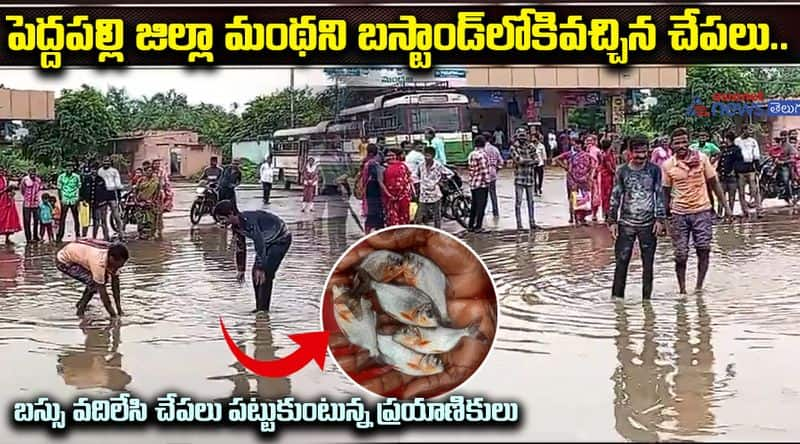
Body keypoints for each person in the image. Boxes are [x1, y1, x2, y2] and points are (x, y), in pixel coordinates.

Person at [662, 127, 732, 294]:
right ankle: (682, 290)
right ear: (672, 145)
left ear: (689, 142)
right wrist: (664, 220)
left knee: (703, 249)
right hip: (678, 213)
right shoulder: (668, 165)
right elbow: (665, 193)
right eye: (677, 142)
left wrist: (727, 208)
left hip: (702, 210)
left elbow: (714, 183)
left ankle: (699, 287)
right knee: (680, 254)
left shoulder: (701, 159)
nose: (681, 145)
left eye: (684, 142)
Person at [607, 136, 667, 300]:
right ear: (629, 152)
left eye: (644, 152)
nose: (641, 156)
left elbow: (659, 194)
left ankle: (646, 302)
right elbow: (615, 196)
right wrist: (612, 221)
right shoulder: (622, 171)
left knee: (648, 265)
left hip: (649, 224)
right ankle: (617, 303)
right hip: (626, 223)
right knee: (621, 262)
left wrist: (660, 219)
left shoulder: (654, 170)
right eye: (637, 153)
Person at [212, 201, 292, 313]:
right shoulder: (236, 227)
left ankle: (263, 310)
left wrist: (261, 267)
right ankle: (259, 308)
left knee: (266, 273)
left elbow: (259, 242)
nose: (221, 222)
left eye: (222, 218)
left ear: (231, 214)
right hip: (267, 242)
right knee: (255, 273)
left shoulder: (249, 221)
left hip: (281, 239)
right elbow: (240, 247)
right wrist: (241, 269)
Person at [56, 239, 129, 318]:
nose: (118, 267)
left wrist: (119, 310)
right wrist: (113, 316)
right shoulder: (98, 261)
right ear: (111, 258)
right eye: (118, 265)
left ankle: (80, 304)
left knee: (100, 279)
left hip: (80, 252)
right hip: (64, 260)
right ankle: (80, 310)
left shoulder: (115, 256)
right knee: (94, 284)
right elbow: (103, 293)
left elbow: (115, 285)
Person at [555, 138, 595, 226]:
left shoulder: (586, 155)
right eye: (575, 144)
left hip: (583, 179)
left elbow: (594, 164)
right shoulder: (570, 154)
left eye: (579, 144)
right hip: (572, 179)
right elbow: (557, 159)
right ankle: (572, 216)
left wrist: (589, 175)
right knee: (572, 197)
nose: (577, 146)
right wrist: (565, 167)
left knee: (584, 198)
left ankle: (581, 217)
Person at [413, 146, 454, 228]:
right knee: (419, 216)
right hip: (424, 193)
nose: (426, 158)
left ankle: (437, 232)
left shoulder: (438, 165)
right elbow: (414, 176)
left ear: (433, 156)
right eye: (425, 155)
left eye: (428, 156)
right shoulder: (421, 165)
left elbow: (450, 173)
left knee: (437, 216)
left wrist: (442, 181)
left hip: (435, 193)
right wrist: (418, 183)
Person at [510, 128, 539, 232]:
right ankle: (519, 225)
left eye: (524, 136)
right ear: (517, 137)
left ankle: (532, 222)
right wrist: (530, 161)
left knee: (531, 202)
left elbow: (537, 160)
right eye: (520, 136)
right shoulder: (513, 147)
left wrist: (526, 161)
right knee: (518, 202)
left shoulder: (530, 146)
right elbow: (518, 160)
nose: (522, 138)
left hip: (530, 178)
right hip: (519, 179)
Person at [734, 126, 763, 217]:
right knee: (741, 191)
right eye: (747, 130)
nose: (749, 133)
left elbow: (756, 156)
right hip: (740, 168)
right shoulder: (737, 141)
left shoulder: (753, 141)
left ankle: (759, 210)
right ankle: (745, 211)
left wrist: (758, 169)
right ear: (743, 130)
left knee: (755, 190)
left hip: (750, 168)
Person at [382, 147, 413, 226]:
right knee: (392, 218)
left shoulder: (402, 166)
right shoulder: (382, 168)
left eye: (392, 155)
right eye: (388, 155)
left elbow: (408, 179)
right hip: (390, 197)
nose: (390, 157)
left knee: (404, 216)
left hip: (403, 196)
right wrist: (390, 195)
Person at [467, 135, 491, 233]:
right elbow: (484, 170)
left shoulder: (472, 154)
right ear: (484, 143)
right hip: (481, 184)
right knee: (481, 205)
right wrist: (488, 181)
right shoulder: (482, 155)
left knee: (474, 205)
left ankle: (470, 225)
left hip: (473, 183)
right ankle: (478, 226)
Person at [97, 157, 124, 239]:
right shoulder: (100, 171)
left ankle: (121, 234)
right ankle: (106, 236)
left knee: (116, 216)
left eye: (107, 162)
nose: (106, 163)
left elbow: (118, 184)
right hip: (102, 194)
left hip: (112, 193)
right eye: (104, 161)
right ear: (102, 162)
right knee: (103, 217)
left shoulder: (114, 171)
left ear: (110, 162)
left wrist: (119, 198)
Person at [361, 144, 386, 233]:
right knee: (375, 212)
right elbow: (378, 177)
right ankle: (378, 231)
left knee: (372, 212)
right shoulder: (373, 164)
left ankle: (369, 231)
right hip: (374, 190)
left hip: (368, 189)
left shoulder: (365, 162)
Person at [134, 165, 161, 240]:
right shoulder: (141, 180)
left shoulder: (155, 181)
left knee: (150, 220)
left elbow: (157, 192)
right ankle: (140, 234)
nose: (150, 172)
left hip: (151, 203)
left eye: (151, 171)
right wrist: (136, 200)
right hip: (140, 203)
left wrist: (153, 201)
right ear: (145, 172)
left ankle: (151, 235)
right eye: (148, 171)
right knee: (140, 220)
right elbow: (136, 190)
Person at [56, 163, 82, 242]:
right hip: (65, 199)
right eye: (67, 167)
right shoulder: (61, 177)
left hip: (74, 198)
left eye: (70, 167)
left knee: (76, 218)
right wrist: (60, 199)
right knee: (62, 218)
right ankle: (60, 236)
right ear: (65, 168)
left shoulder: (76, 177)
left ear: (73, 168)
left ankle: (78, 234)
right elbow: (59, 189)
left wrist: (78, 199)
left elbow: (79, 187)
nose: (69, 169)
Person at [717, 132, 741, 216]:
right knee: (721, 196)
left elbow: (739, 161)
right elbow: (721, 162)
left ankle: (729, 214)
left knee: (731, 197)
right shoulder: (724, 150)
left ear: (728, 139)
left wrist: (734, 170)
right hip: (723, 176)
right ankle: (719, 214)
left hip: (732, 177)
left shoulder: (736, 149)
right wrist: (719, 171)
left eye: (726, 139)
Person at [482, 132, 503, 218]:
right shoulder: (495, 149)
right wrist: (496, 169)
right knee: (493, 194)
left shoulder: (481, 150)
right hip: (493, 172)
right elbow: (501, 162)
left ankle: (482, 212)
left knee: (483, 195)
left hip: (484, 173)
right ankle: (496, 212)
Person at [151, 158, 173, 239]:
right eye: (155, 163)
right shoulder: (150, 172)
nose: (157, 165)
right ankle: (152, 230)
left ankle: (159, 230)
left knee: (159, 213)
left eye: (158, 163)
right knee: (151, 213)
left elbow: (166, 183)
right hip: (151, 194)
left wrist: (168, 194)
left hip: (160, 195)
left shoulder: (162, 172)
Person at [21, 168, 43, 243]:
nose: (33, 174)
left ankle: (36, 236)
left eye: (34, 173)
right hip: (27, 204)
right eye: (31, 172)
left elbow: (39, 190)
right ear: (28, 172)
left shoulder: (38, 180)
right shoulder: (25, 180)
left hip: (36, 204)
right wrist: (26, 197)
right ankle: (28, 238)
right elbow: (22, 190)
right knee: (27, 221)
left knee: (36, 220)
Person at [0, 167, 22, 243]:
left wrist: (11, 191)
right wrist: (5, 190)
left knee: (9, 219)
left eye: (2, 170)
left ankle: (7, 238)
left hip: (8, 201)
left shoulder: (5, 178)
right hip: (1, 202)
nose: (2, 172)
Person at [586, 134, 603, 222]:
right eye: (587, 141)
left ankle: (594, 214)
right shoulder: (585, 151)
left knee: (595, 195)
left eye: (590, 141)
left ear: (595, 141)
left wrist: (597, 170)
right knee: (586, 195)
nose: (589, 143)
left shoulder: (597, 151)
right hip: (587, 175)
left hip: (595, 175)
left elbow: (601, 161)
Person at [599, 139, 618, 219]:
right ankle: (607, 213)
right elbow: (610, 167)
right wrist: (616, 173)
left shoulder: (608, 154)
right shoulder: (606, 155)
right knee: (608, 195)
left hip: (606, 176)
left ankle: (607, 212)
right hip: (607, 177)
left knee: (608, 195)